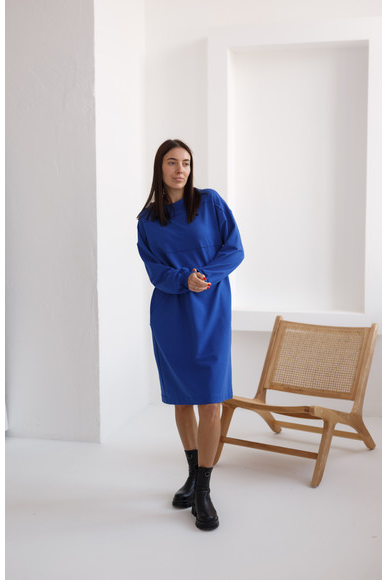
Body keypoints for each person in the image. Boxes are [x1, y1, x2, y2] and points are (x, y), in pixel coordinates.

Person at [137, 139, 244, 531]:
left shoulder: (210, 202)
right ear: (159, 168)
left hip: (211, 309)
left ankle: (203, 490)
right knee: (183, 401)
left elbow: (234, 249)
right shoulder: (147, 220)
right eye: (172, 162)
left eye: (185, 162)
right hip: (171, 315)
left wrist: (204, 277)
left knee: (211, 402)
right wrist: (184, 279)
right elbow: (155, 271)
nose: (180, 169)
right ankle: (192, 476)